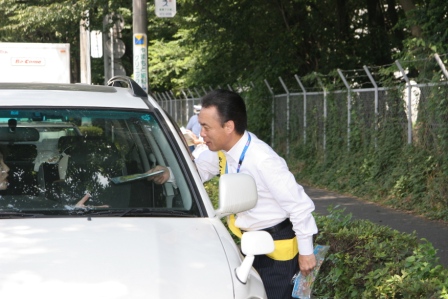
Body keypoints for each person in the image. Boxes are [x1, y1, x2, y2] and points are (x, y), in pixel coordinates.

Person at [148, 90, 318, 298]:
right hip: (250, 245)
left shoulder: (262, 159)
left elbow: (299, 205)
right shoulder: (222, 151)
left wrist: (306, 253)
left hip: (277, 252)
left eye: (206, 127)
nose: (201, 134)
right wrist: (169, 173)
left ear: (228, 126)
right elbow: (199, 172)